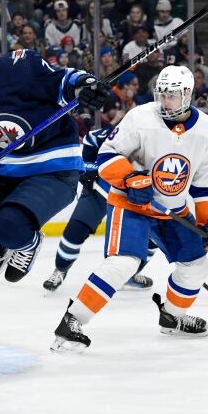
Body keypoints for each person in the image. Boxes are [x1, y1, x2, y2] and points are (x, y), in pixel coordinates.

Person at [51, 65, 208, 352]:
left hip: (171, 209)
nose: (165, 101)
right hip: (131, 204)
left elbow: (205, 187)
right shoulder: (140, 117)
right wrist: (130, 178)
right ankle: (72, 320)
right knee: (124, 263)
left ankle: (173, 318)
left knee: (197, 266)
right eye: (161, 94)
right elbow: (107, 156)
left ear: (187, 94)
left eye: (172, 95)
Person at [0, 21, 110, 293]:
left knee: (10, 226)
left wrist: (85, 85)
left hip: (53, 170)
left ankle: (27, 244)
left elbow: (62, 81)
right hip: (5, 173)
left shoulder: (20, 66)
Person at [43, 126, 156, 294]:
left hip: (136, 196)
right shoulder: (115, 133)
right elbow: (87, 147)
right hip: (100, 190)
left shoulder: (162, 142)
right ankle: (60, 270)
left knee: (154, 238)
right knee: (75, 231)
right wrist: (89, 169)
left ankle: (130, 274)